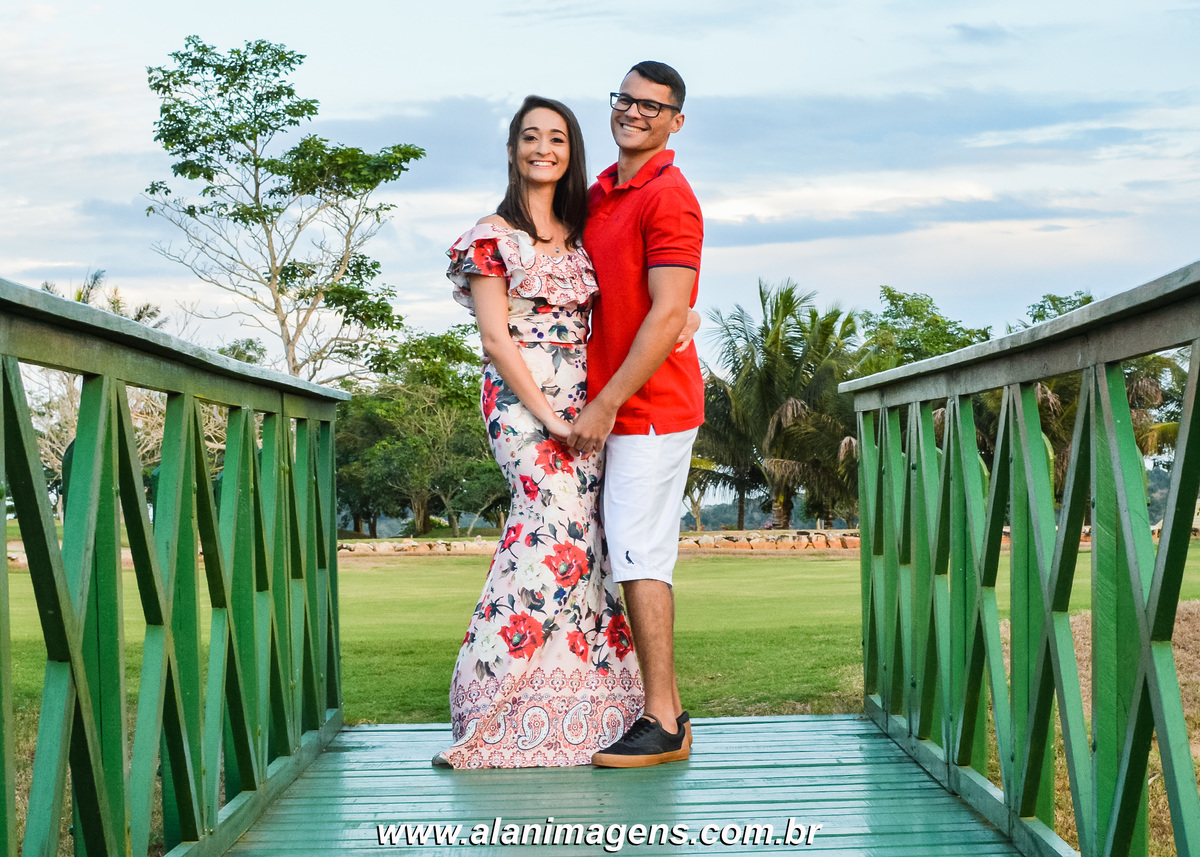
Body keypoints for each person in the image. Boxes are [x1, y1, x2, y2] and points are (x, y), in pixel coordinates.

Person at [435, 96, 696, 768]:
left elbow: (648, 297)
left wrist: (683, 321)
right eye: (529, 137)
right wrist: (550, 416)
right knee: (547, 527)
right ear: (514, 149)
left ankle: (575, 701)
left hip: (588, 404)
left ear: (571, 151)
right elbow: (495, 338)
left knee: (591, 543)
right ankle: (490, 692)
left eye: (556, 137)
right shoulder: (492, 236)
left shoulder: (583, 231)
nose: (542, 148)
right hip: (527, 407)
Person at [568, 61, 704, 768]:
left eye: (653, 107)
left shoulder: (670, 197)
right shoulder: (600, 195)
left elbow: (669, 310)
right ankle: (669, 708)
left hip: (651, 408)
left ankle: (662, 721)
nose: (634, 112)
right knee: (627, 550)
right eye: (625, 98)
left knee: (641, 553)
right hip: (616, 404)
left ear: (675, 121)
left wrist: (607, 400)